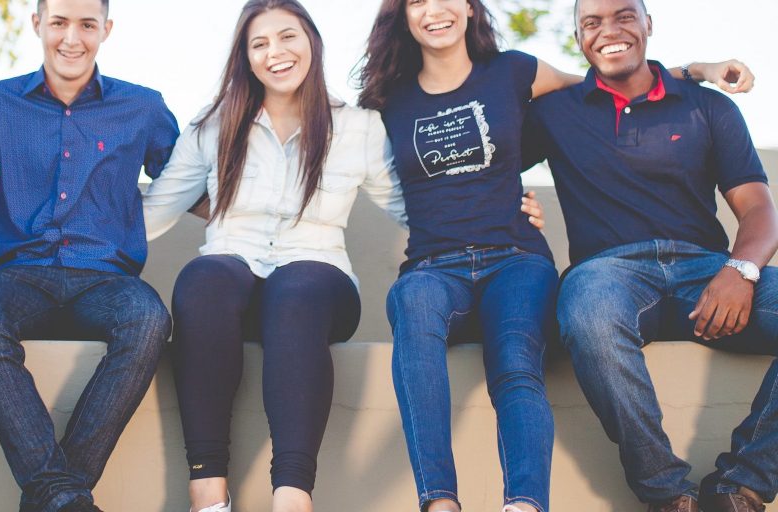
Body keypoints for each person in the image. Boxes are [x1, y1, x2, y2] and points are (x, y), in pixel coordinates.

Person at [142, 1, 544, 511]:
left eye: (287, 37)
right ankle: (208, 494)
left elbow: (420, 205)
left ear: (311, 41)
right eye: (259, 44)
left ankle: (292, 496)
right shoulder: (213, 127)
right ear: (245, 58)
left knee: (296, 286)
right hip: (231, 277)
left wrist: (505, 206)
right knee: (203, 277)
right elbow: (153, 213)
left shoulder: (357, 127)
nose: (276, 53)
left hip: (319, 282)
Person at [355, 1, 752, 511]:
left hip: (516, 257)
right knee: (413, 310)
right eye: (417, 0)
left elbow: (603, 82)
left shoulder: (514, 70)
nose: (436, 9)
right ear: (402, 16)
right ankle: (439, 502)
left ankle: (524, 504)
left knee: (517, 361)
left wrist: (695, 71)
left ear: (472, 9)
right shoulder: (388, 99)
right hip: (433, 264)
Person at [523, 1, 777, 511]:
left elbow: (759, 208)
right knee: (588, 314)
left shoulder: (706, 105)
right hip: (608, 274)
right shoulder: (555, 111)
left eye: (623, 16)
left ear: (648, 25)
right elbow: (482, 144)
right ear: (578, 39)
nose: (608, 31)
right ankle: (666, 494)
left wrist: (740, 269)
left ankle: (742, 485)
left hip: (706, 271)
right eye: (590, 23)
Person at [0, 0, 179, 511]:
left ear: (107, 29)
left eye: (86, 25)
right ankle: (67, 497)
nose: (71, 38)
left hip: (106, 280)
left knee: (147, 319)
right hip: (20, 276)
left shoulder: (142, 107)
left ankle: (55, 496)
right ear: (38, 24)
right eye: (58, 22)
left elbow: (191, 180)